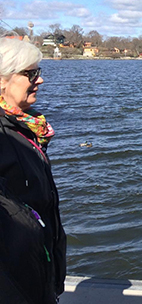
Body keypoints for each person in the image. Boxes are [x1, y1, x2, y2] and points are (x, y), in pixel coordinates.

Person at [0, 37, 67, 303]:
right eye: (31, 73)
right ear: (2, 79)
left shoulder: (26, 129)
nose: (40, 80)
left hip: (36, 271)